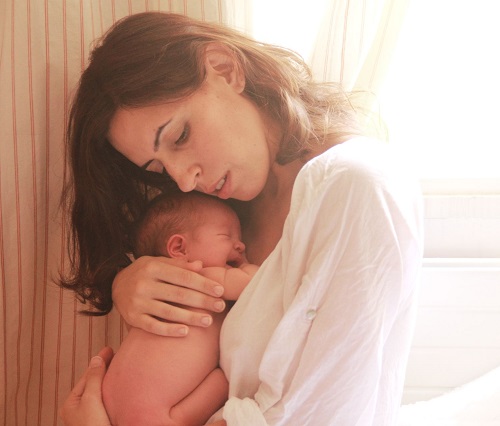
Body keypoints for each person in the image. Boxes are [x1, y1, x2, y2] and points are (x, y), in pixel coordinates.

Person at [59, 11, 423, 426]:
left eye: (180, 136)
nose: (183, 180)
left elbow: (322, 413)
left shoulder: (356, 186)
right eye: (158, 169)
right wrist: (130, 281)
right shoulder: (222, 216)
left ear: (224, 69)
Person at [102, 191, 258, 425]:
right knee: (225, 380)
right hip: (154, 412)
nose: (241, 245)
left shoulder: (158, 292)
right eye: (226, 235)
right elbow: (253, 282)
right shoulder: (200, 276)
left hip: (115, 398)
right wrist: (247, 266)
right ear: (179, 248)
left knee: (222, 381)